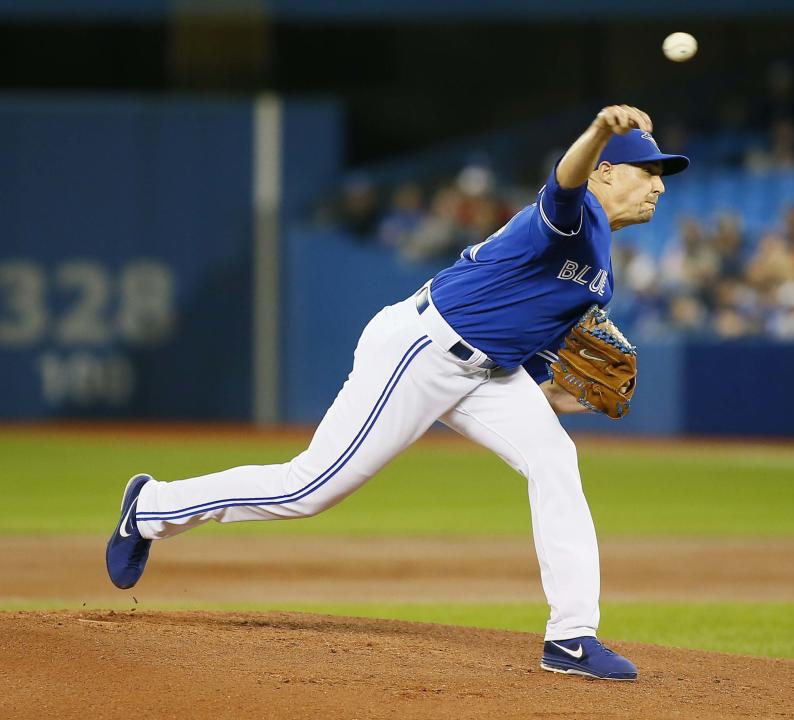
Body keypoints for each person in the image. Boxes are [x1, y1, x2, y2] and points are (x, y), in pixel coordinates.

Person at [106, 105, 689, 681]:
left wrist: (555, 395)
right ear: (606, 171)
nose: (659, 186)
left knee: (555, 459)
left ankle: (571, 637)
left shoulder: (603, 269)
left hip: (491, 374)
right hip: (423, 350)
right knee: (308, 488)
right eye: (649, 171)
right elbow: (564, 179)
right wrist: (597, 131)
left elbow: (533, 342)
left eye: (663, 175)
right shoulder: (574, 210)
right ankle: (152, 505)